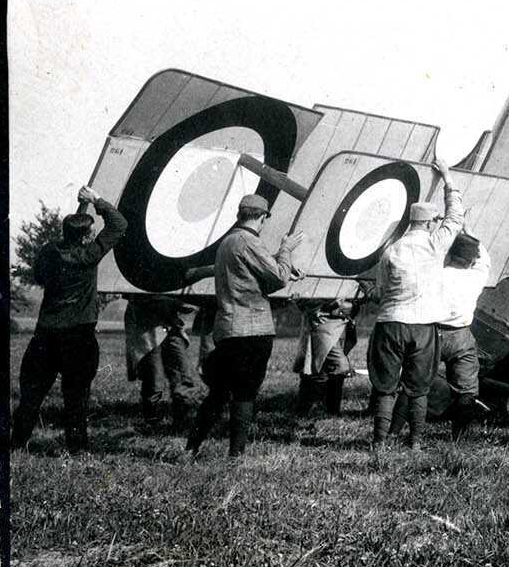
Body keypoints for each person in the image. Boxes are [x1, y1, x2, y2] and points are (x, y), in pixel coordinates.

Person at [185, 194, 303, 461]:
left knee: (218, 393)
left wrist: (278, 261)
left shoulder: (229, 242)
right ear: (262, 218)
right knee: (245, 394)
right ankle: (235, 455)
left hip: (228, 328)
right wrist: (286, 250)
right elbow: (278, 278)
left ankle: (191, 448)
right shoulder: (250, 241)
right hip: (254, 330)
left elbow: (248, 269)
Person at [11, 186, 128, 454]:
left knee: (31, 397)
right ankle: (76, 451)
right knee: (76, 399)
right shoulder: (89, 255)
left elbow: (43, 272)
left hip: (45, 335)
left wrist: (80, 212)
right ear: (87, 238)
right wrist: (95, 200)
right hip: (78, 337)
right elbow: (119, 224)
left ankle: (15, 445)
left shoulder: (49, 252)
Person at [364, 156, 462, 455]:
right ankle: (415, 443)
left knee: (385, 386)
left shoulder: (391, 250)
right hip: (423, 326)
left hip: (391, 323)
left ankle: (379, 443)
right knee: (418, 387)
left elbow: (380, 291)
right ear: (431, 222)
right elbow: (456, 217)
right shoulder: (435, 244)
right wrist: (446, 177)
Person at [435, 231, 491, 441]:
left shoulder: (435, 274)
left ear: (450, 255)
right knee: (466, 389)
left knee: (416, 383)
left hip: (432, 332)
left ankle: (400, 433)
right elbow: (484, 259)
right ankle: (459, 439)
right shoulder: (476, 277)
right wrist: (467, 230)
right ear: (471, 260)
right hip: (460, 335)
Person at [124, 296, 201, 428]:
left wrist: (180, 303)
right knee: (155, 378)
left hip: (171, 328)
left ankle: (181, 418)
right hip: (147, 330)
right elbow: (135, 295)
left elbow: (184, 303)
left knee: (182, 372)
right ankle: (151, 418)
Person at [292, 298, 358, 420]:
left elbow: (352, 304)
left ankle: (330, 410)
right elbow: (302, 300)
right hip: (322, 326)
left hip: (340, 326)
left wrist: (345, 306)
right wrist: (328, 307)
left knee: (328, 369)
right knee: (336, 367)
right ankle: (309, 409)